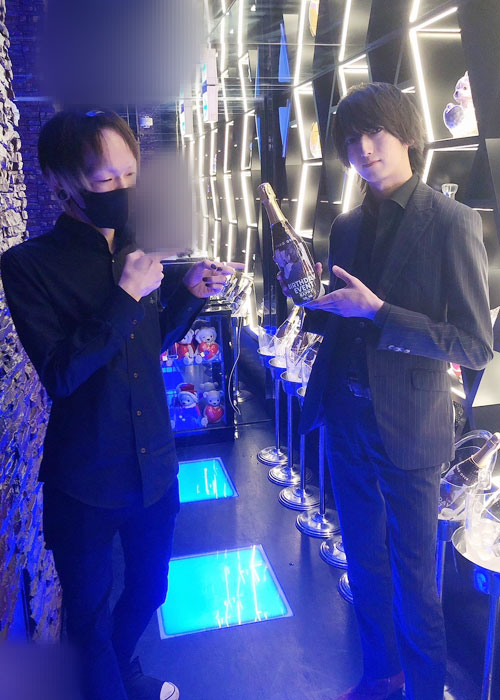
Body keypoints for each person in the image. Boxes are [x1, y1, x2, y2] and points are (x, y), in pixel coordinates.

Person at [0, 109, 240, 700]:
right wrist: (127, 293)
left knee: (152, 590)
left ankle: (123, 669)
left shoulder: (136, 249)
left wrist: (188, 295)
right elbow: (61, 374)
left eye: (130, 174)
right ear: (62, 183)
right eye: (105, 180)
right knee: (86, 620)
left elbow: (144, 344)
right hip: (85, 480)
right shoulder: (27, 266)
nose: (122, 190)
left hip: (154, 466)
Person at [279, 83, 493, 700]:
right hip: (345, 419)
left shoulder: (451, 221)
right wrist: (307, 298)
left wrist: (379, 313)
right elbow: (343, 321)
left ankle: (424, 690)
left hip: (411, 428)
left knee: (416, 581)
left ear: (407, 136)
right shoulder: (346, 226)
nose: (365, 149)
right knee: (365, 564)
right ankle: (380, 676)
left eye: (376, 133)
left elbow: (473, 345)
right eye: (352, 140)